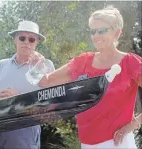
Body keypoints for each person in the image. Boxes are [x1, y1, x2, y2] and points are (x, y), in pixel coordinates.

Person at [32, 6, 142, 149]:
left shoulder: (131, 63)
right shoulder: (82, 62)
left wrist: (134, 124)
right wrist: (35, 62)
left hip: (118, 144)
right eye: (92, 31)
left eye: (102, 30)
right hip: (87, 144)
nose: (96, 36)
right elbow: (45, 81)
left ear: (117, 33)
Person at [0, 20, 55, 149]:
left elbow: (52, 102)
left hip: (24, 129)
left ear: (36, 42)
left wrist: (18, 98)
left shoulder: (44, 66)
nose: (26, 42)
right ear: (15, 39)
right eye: (22, 37)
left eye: (31, 39)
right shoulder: (2, 64)